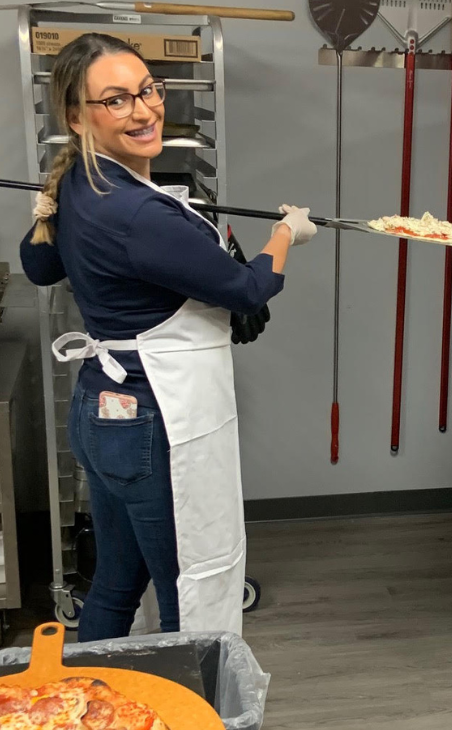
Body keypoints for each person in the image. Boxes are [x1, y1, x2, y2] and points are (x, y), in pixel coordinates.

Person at [20, 32, 316, 645]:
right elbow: (248, 290)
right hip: (152, 422)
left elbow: (41, 266)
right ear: (77, 117)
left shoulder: (79, 185)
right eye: (116, 100)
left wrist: (48, 215)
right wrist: (288, 233)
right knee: (190, 601)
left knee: (116, 584)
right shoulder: (135, 214)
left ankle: (90, 721)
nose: (144, 109)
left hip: (103, 410)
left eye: (147, 90)